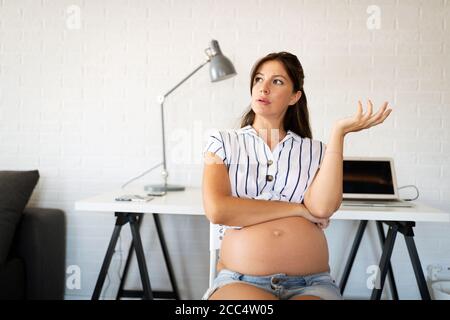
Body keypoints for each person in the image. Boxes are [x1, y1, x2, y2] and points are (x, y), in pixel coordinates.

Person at [201, 52, 392, 300]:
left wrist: (338, 134)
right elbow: (218, 210)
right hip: (240, 281)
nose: (264, 88)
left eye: (277, 81)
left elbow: (322, 208)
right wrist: (297, 209)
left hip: (312, 284)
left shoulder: (315, 151)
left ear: (295, 96)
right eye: (259, 79)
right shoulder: (220, 142)